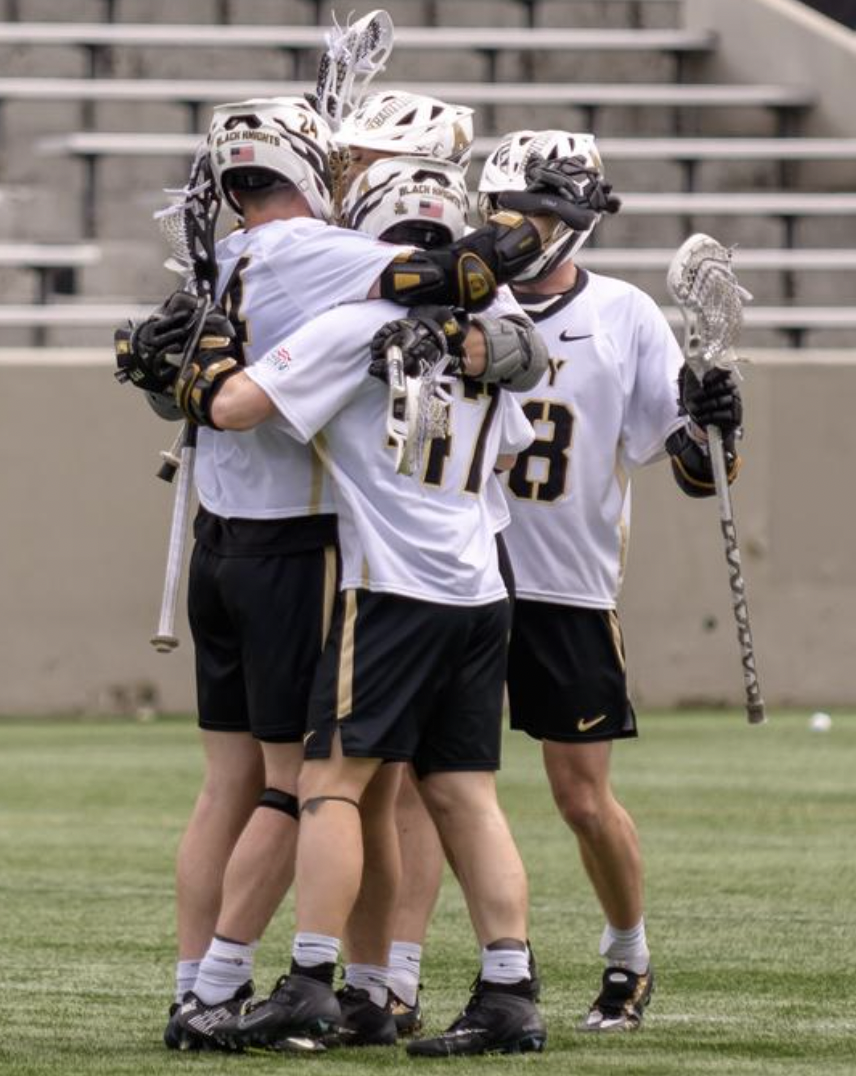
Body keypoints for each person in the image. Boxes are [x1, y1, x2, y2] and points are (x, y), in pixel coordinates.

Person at [116, 96, 576, 1051]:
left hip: (360, 575)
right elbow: (513, 406)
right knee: (450, 793)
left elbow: (233, 404)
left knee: (313, 788)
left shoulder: (325, 306)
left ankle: (281, 981)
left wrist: (188, 375)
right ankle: (492, 986)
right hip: (476, 584)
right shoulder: (460, 315)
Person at [383, 129, 745, 1034]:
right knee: (428, 786)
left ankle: (629, 954)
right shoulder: (461, 302)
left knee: (581, 799)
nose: (521, 230)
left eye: (537, 214)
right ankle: (397, 978)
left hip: (567, 585)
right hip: (459, 575)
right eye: (507, 211)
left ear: (575, 220)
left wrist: (717, 426)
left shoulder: (623, 314)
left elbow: (696, 470)